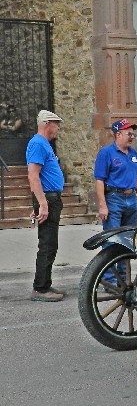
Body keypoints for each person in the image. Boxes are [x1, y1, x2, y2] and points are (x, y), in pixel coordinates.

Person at [94, 118, 137, 288]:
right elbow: (99, 181)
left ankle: (123, 279)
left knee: (128, 241)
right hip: (114, 199)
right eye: (128, 133)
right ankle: (108, 281)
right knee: (111, 240)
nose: (132, 136)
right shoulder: (106, 153)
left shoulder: (133, 154)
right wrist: (103, 205)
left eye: (133, 133)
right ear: (118, 134)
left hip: (131, 199)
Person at [26, 110, 65, 302]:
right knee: (48, 244)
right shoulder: (38, 143)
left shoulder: (43, 144)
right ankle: (40, 288)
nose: (58, 128)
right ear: (47, 123)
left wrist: (38, 202)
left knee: (50, 244)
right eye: (57, 124)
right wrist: (42, 203)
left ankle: (45, 284)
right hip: (48, 199)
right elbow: (33, 175)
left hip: (49, 198)